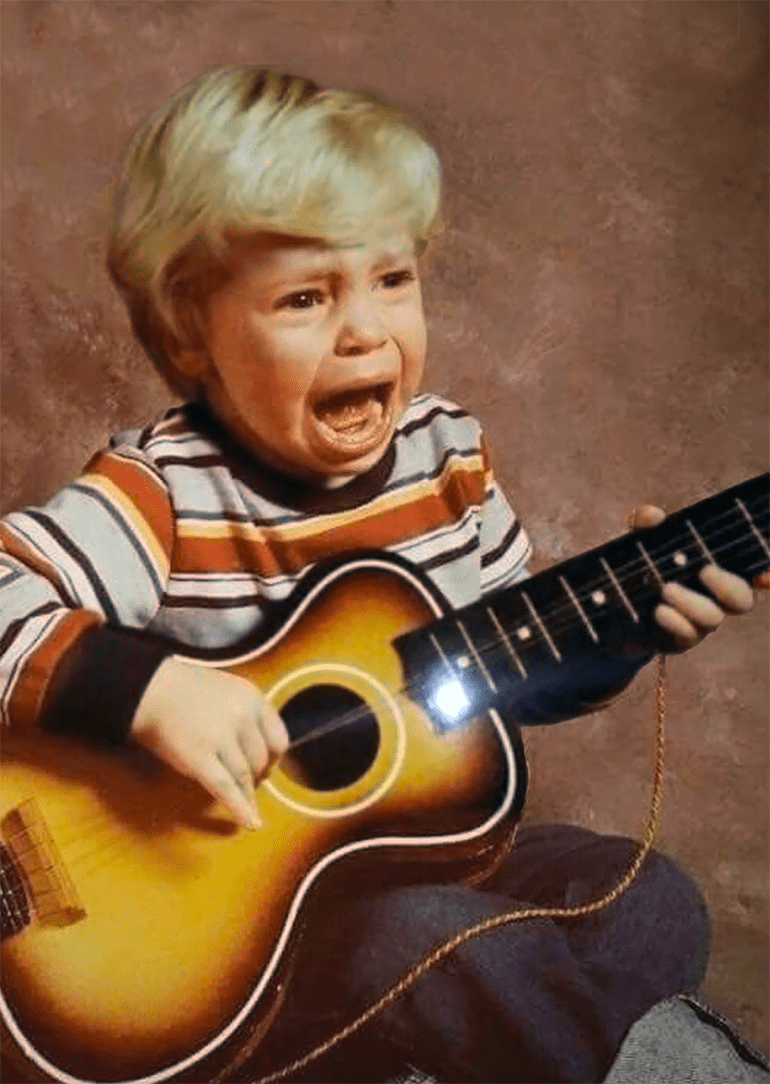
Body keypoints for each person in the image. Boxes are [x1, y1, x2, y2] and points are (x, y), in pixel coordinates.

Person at [0, 66, 765, 1083]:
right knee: (425, 936)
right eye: (306, 296)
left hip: (418, 863)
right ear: (192, 329)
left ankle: (502, 1039)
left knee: (645, 892)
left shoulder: (446, 455)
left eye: (391, 279)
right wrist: (149, 691)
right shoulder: (162, 492)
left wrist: (615, 636)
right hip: (243, 943)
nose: (364, 329)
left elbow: (502, 664)